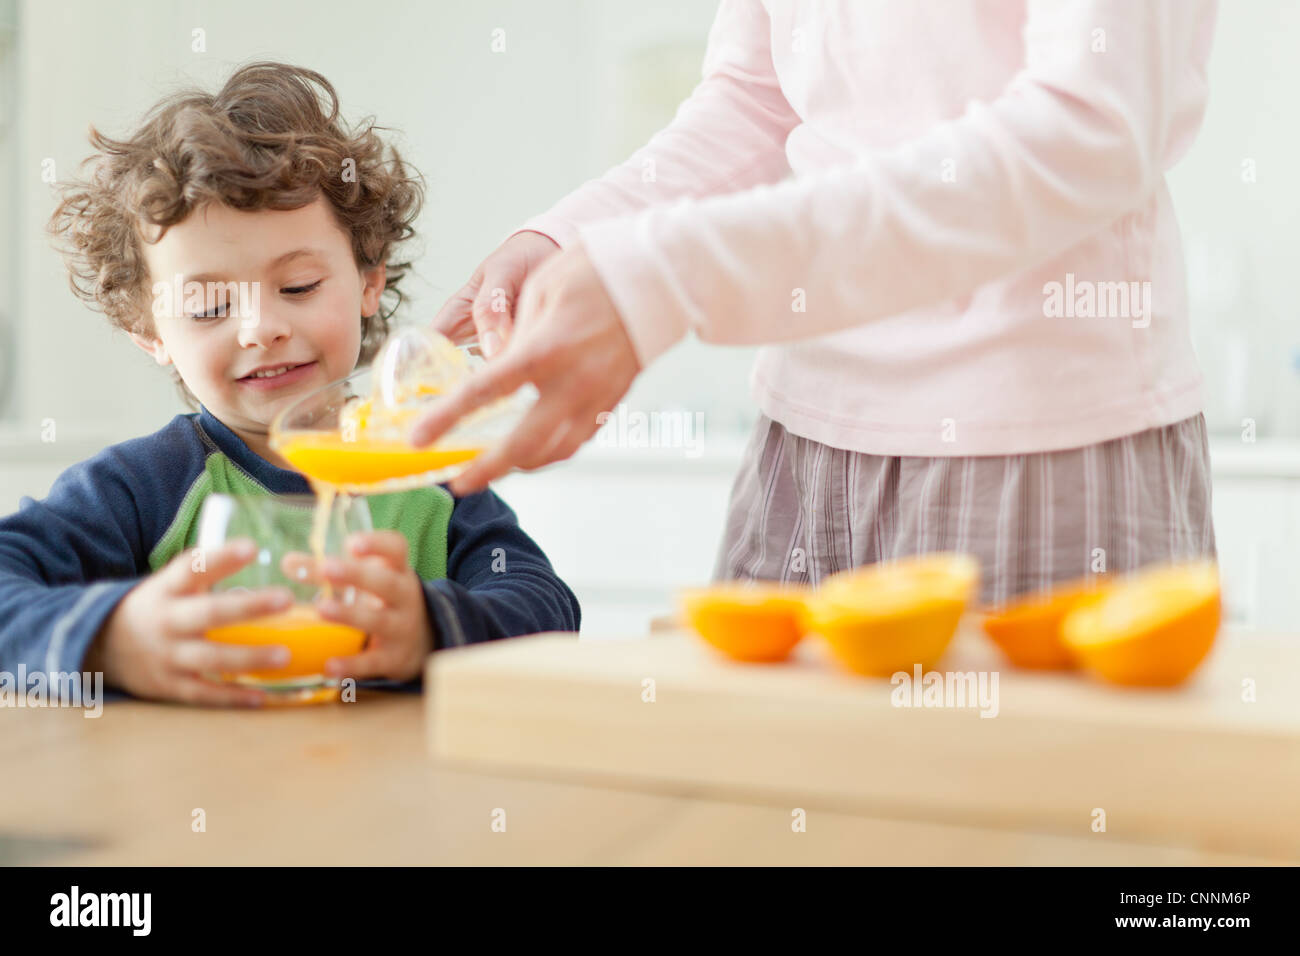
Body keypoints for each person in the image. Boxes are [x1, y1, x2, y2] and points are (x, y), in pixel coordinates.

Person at [418, 0, 1219, 606]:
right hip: (799, 447)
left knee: (1008, 820)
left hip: (1035, 442)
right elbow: (760, 102)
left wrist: (663, 273)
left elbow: (1089, 129)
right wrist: (572, 236)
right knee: (760, 813)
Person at [0, 62, 579, 706]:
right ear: (149, 331)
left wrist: (429, 628)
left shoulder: (427, 476)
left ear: (368, 279)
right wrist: (111, 640)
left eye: (298, 286)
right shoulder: (144, 488)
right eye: (210, 307)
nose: (261, 328)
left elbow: (547, 609)